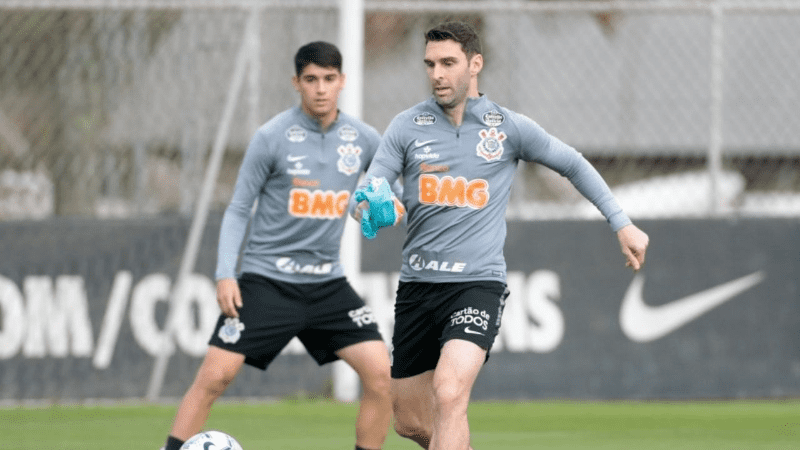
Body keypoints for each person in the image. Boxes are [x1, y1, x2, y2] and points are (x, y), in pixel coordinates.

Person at [351, 22, 650, 450]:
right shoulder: (406, 126)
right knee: (411, 422)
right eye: (430, 64)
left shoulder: (506, 127)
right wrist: (370, 206)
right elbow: (369, 192)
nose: (437, 73)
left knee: (449, 394)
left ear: (475, 64)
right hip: (418, 287)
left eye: (448, 63)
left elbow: (572, 163)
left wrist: (622, 222)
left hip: (477, 284)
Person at [161, 41, 393, 450]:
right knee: (215, 377)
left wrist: (382, 207)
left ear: (342, 81)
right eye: (311, 79)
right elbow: (238, 209)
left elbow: (387, 195)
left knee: (382, 376)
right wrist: (225, 274)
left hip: (327, 284)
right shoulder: (271, 137)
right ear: (296, 82)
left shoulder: (363, 138)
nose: (320, 89)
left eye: (329, 79)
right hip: (267, 280)